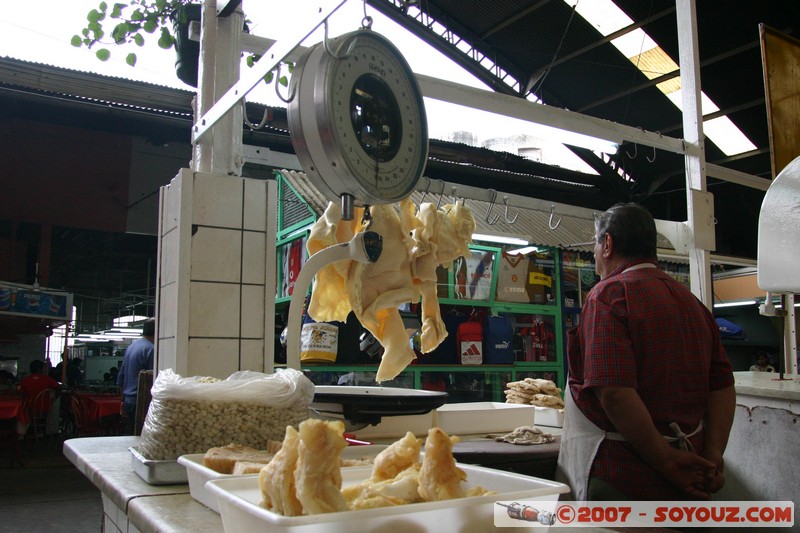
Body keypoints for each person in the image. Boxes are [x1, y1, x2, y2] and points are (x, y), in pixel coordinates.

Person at [557, 202, 736, 501]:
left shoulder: (608, 295)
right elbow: (722, 386)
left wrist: (667, 462)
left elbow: (614, 392)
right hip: (692, 469)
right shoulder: (693, 303)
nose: (594, 254)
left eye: (595, 244)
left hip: (624, 475)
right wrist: (713, 454)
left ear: (608, 243)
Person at [117, 318, 155, 433]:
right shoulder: (151, 349)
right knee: (141, 438)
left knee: (129, 435)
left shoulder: (131, 347)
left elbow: (121, 377)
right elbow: (152, 380)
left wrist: (122, 400)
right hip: (141, 402)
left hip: (128, 400)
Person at [17, 359, 61, 437]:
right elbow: (58, 388)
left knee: (21, 411)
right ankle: (39, 432)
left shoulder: (25, 380)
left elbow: (20, 394)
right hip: (44, 408)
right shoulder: (47, 379)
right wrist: (53, 399)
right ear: (40, 369)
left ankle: (23, 434)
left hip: (29, 409)